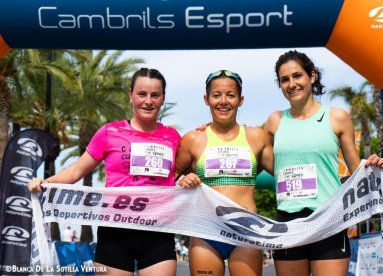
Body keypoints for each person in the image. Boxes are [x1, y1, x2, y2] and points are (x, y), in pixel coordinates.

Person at [28, 68, 181, 276]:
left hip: (158, 232)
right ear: (130, 95)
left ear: (163, 98)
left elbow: (182, 174)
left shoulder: (173, 137)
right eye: (142, 94)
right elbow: (75, 171)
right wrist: (43, 183)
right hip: (115, 231)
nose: (148, 101)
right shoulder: (110, 132)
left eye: (155, 95)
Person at [263, 50, 383, 276]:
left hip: (328, 219)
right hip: (289, 223)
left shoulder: (336, 117)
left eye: (297, 76)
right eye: (285, 79)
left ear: (312, 76)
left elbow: (356, 169)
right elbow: (255, 155)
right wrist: (209, 131)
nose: (292, 84)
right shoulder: (274, 121)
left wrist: (372, 163)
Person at [174, 70, 274, 276]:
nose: (223, 101)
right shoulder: (193, 139)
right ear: (206, 99)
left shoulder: (257, 137)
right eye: (216, 95)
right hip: (206, 230)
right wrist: (183, 180)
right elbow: (166, 181)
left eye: (230, 95)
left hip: (246, 230)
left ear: (241, 100)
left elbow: (285, 173)